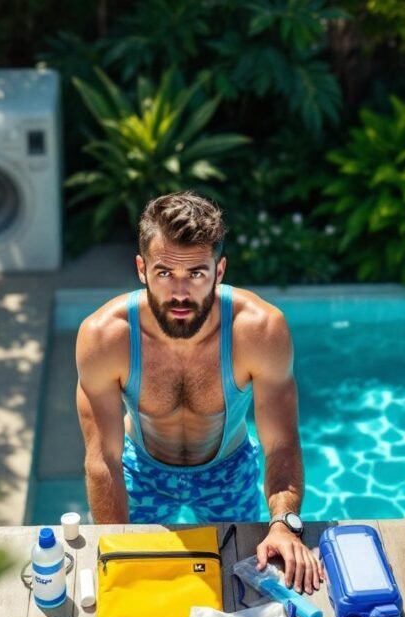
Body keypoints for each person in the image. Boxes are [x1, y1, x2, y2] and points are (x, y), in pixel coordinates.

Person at [75, 191, 323, 593]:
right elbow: (103, 456)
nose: (179, 293)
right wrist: (115, 541)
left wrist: (283, 525)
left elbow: (280, 443)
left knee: (237, 576)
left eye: (196, 274)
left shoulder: (259, 330)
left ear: (219, 270)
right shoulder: (105, 337)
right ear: (141, 268)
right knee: (130, 578)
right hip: (144, 470)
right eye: (164, 273)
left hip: (228, 469)